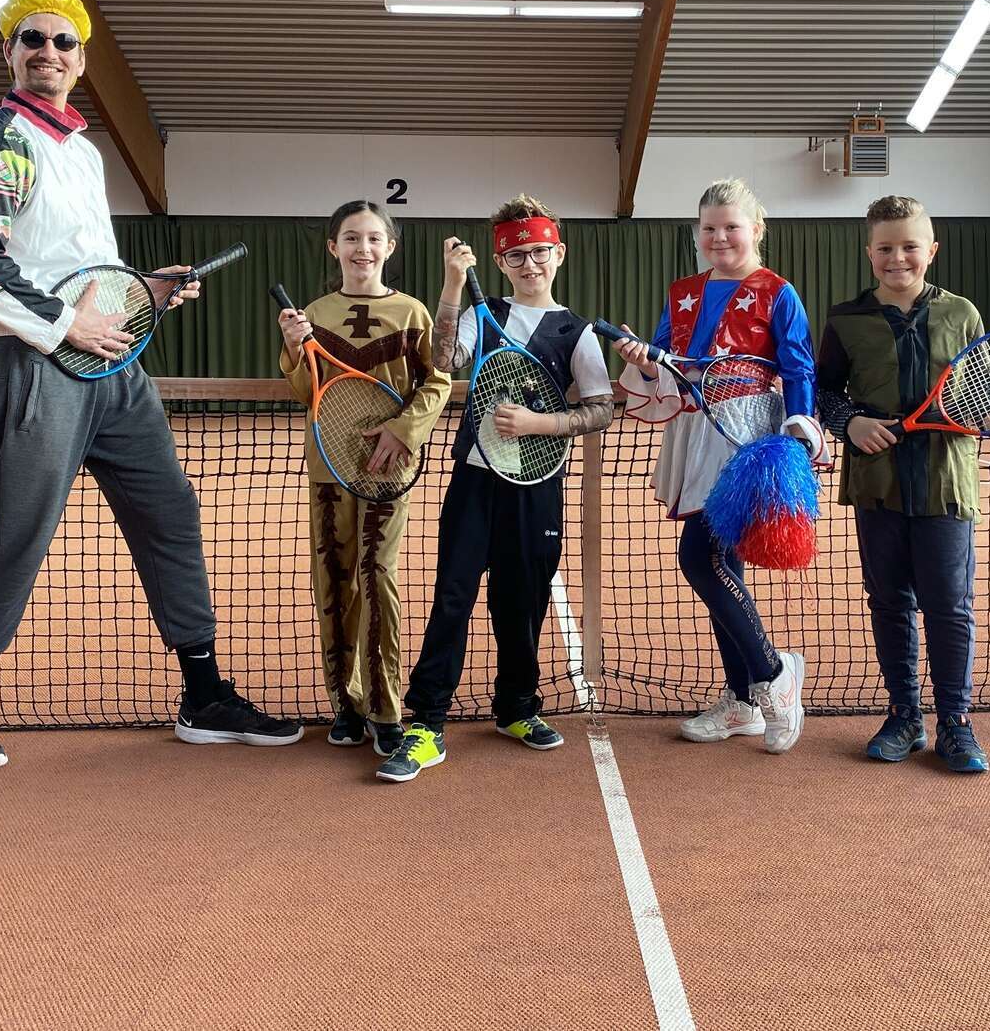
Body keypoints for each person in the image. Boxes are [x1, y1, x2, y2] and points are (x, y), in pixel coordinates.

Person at [0, 0, 299, 772]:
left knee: (170, 512)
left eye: (63, 42)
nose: (48, 52)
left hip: (114, 369)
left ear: (82, 60)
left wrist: (144, 290)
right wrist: (65, 324)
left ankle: (203, 694)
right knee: (22, 532)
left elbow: (77, 267)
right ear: (9, 51)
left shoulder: (83, 151)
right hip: (34, 365)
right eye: (33, 39)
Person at [378, 197, 615, 783]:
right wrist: (452, 283)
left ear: (559, 254)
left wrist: (542, 423)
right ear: (501, 262)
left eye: (539, 252)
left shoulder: (577, 332)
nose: (529, 264)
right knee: (453, 598)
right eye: (516, 255)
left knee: (523, 600)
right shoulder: (483, 314)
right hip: (476, 481)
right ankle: (427, 723)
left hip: (538, 484)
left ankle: (516, 707)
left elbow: (601, 408)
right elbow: (443, 358)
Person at [608, 178, 824, 754]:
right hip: (694, 428)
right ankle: (743, 700)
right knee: (723, 563)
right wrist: (641, 359)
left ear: (757, 229)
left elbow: (799, 367)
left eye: (731, 226)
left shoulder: (778, 292)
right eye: (709, 228)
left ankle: (774, 674)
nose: (719, 237)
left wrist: (797, 432)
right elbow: (665, 367)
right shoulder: (682, 292)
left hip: (747, 434)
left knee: (700, 559)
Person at [815, 194, 990, 774]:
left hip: (945, 481)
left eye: (909, 246)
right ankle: (904, 716)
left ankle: (955, 723)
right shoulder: (845, 319)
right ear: (869, 253)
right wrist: (849, 423)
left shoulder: (962, 314)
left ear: (931, 250)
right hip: (877, 482)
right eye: (885, 247)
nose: (897, 258)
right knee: (888, 601)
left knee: (949, 606)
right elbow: (824, 391)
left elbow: (980, 392)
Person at [277, 200, 451, 762]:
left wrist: (404, 429)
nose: (363, 248)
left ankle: (384, 707)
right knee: (334, 581)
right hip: (329, 465)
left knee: (377, 578)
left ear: (390, 247)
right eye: (351, 238)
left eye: (374, 238)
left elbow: (437, 382)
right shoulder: (314, 313)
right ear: (334, 247)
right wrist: (292, 347)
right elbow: (308, 392)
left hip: (386, 469)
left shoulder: (412, 313)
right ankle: (345, 705)